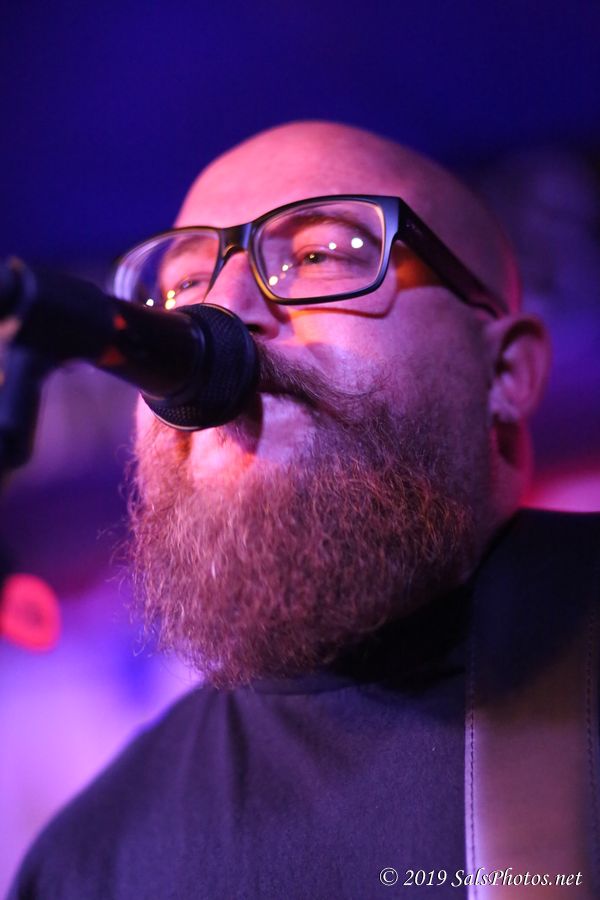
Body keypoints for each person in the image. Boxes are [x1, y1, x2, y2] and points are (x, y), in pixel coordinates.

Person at [8, 122, 600, 898]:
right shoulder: (88, 866)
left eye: (320, 256)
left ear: (506, 371)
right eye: (182, 288)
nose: (221, 311)